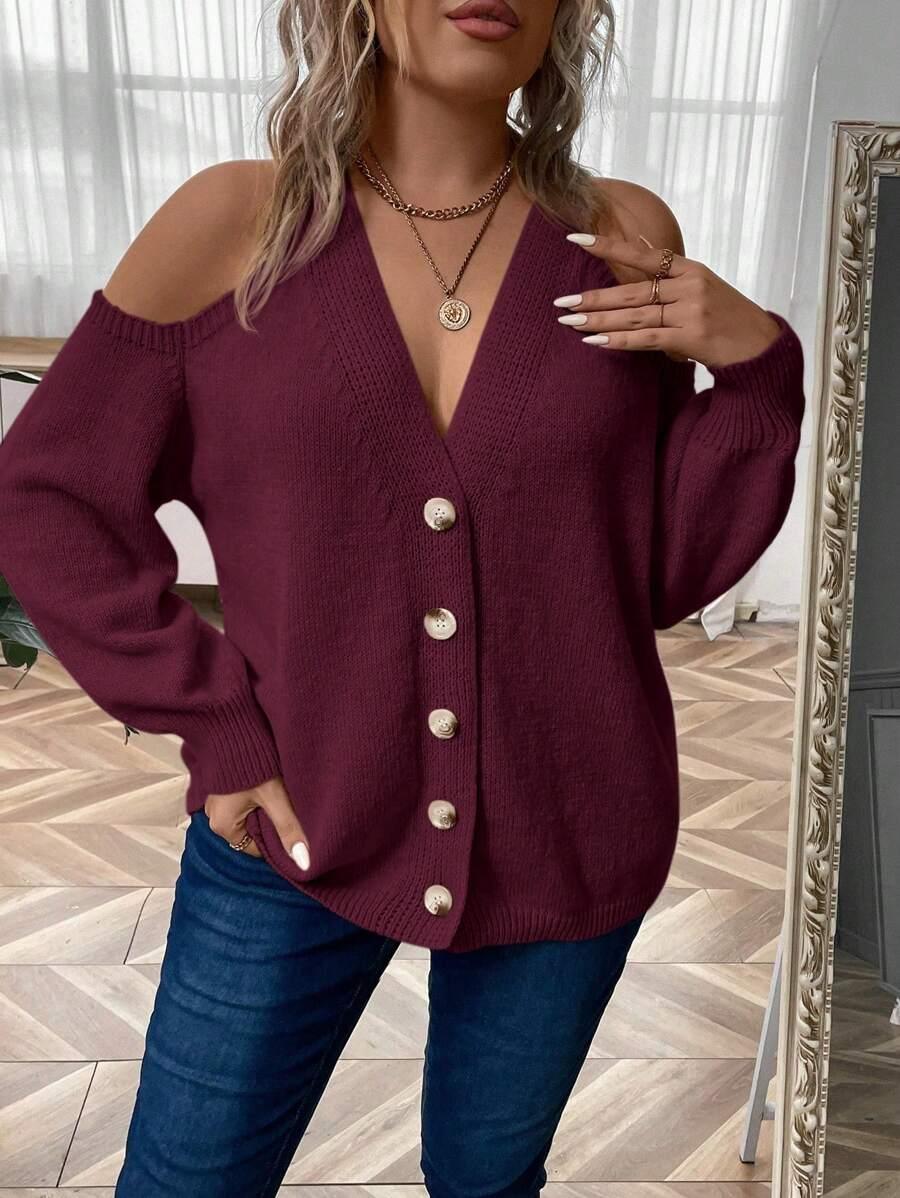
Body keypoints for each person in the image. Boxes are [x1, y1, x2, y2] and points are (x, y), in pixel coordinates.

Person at [0, 1, 806, 1193]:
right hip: (291, 819)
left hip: (570, 822)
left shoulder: (620, 238)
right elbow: (51, 496)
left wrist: (755, 373)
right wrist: (213, 724)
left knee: (488, 1182)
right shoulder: (236, 226)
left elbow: (651, 577)